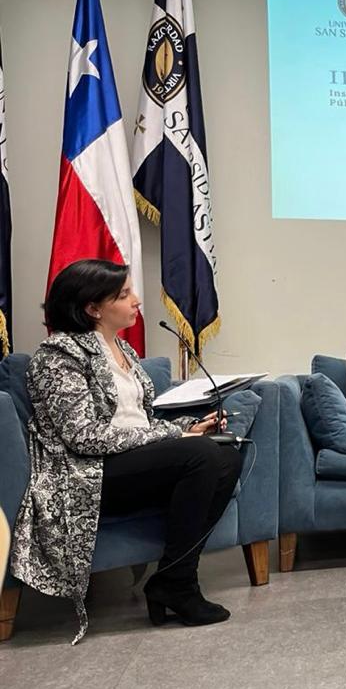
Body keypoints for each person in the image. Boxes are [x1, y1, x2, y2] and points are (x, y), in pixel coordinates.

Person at [10, 259, 241, 643]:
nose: (136, 301)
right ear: (92, 308)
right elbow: (84, 437)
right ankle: (179, 585)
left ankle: (172, 579)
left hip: (127, 461)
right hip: (86, 473)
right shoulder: (58, 356)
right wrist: (173, 437)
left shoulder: (122, 350)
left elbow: (136, 420)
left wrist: (187, 428)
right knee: (200, 456)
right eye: (124, 294)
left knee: (225, 455)